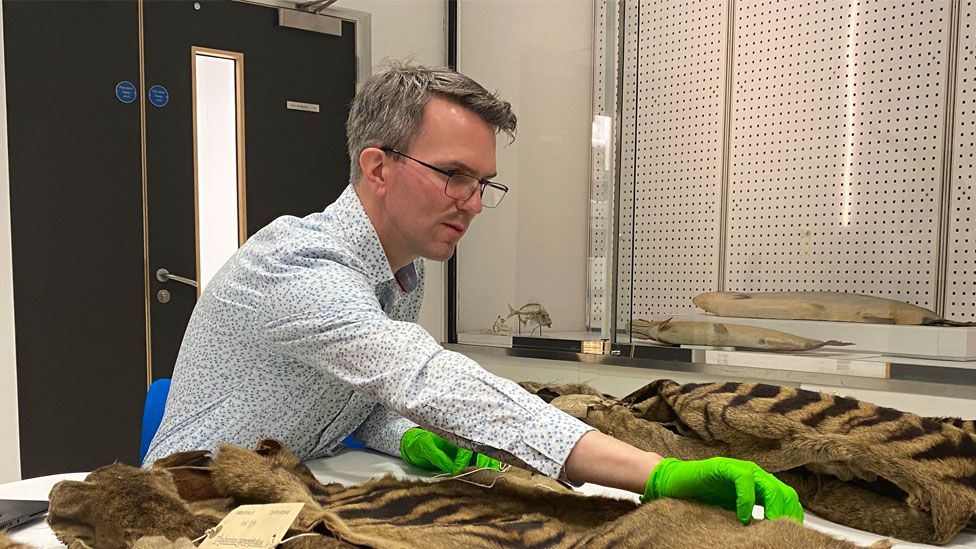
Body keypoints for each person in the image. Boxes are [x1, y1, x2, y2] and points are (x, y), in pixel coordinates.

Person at [145, 62, 803, 525]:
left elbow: (357, 397)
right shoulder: (299, 261)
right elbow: (418, 374)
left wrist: (409, 437)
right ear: (377, 167)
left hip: (285, 492)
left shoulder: (402, 270)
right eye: (454, 175)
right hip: (185, 507)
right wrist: (654, 473)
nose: (474, 203)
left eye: (483, 181)